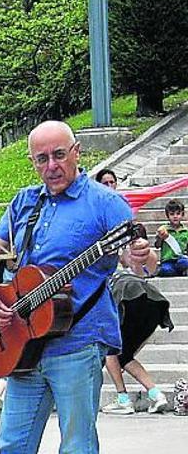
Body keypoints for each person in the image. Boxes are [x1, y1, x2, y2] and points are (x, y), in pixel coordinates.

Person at [0, 121, 152, 453]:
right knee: (12, 444)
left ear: (77, 152)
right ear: (32, 162)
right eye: (41, 159)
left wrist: (141, 254)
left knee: (76, 445)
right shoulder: (24, 202)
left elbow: (137, 259)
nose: (51, 166)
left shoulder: (105, 202)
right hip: (24, 344)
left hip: (78, 341)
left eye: (58, 155)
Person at [95, 170, 173, 415]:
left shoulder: (128, 224)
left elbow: (145, 265)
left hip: (131, 293)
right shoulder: (94, 222)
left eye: (113, 182)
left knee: (111, 348)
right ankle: (156, 394)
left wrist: (144, 252)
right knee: (122, 353)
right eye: (105, 184)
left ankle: (122, 399)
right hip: (139, 298)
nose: (110, 186)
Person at [154, 198, 188, 276]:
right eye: (172, 214)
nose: (175, 216)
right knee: (166, 270)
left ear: (182, 214)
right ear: (168, 216)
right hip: (167, 260)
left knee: (184, 263)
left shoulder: (185, 231)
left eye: (178, 214)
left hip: (181, 259)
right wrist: (160, 237)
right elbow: (157, 245)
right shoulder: (164, 229)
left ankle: (181, 270)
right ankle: (179, 272)